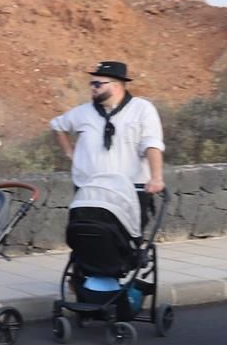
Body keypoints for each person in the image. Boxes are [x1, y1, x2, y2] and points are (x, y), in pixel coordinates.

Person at [51, 60, 165, 224]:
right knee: (87, 236)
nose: (93, 88)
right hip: (90, 191)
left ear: (116, 86)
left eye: (98, 84)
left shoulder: (142, 109)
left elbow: (152, 144)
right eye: (91, 84)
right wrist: (71, 154)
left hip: (130, 191)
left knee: (126, 237)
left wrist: (156, 178)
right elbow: (58, 126)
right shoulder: (83, 112)